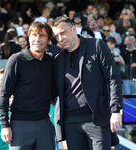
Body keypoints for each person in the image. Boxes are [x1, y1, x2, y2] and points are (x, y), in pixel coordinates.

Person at [52, 16, 123, 150]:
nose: (60, 38)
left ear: (73, 29)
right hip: (70, 123)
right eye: (56, 35)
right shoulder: (58, 59)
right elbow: (51, 90)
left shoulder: (96, 46)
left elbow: (114, 77)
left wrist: (115, 110)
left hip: (97, 120)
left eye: (63, 33)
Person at [0, 21, 55, 150]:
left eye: (42, 35)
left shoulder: (52, 60)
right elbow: (4, 93)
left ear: (49, 39)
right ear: (28, 37)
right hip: (19, 124)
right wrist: (4, 125)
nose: (37, 39)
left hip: (44, 123)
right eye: (34, 35)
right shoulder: (16, 59)